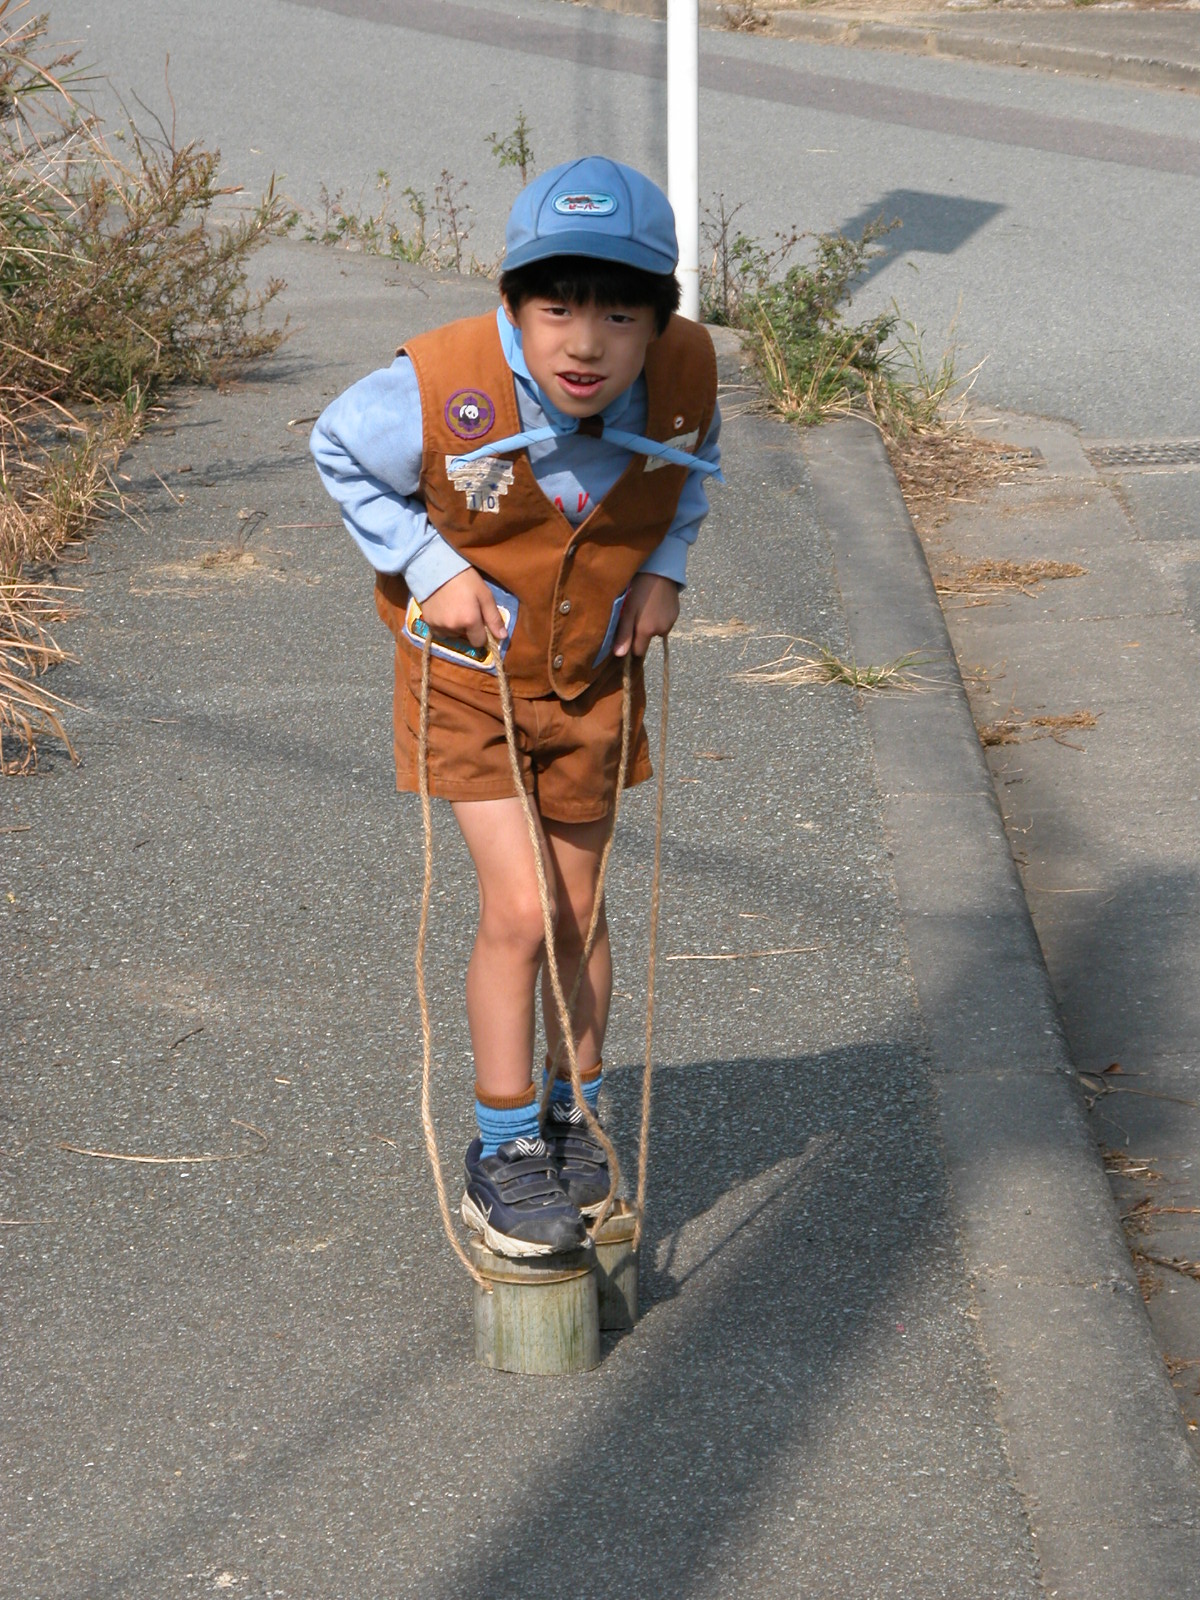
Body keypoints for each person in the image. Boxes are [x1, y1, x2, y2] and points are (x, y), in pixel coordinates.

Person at [311, 156, 722, 1259]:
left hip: (593, 672)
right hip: (469, 677)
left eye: (619, 315)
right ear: (513, 305)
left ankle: (571, 1110)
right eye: (557, 310)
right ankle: (502, 1150)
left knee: (579, 908)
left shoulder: (686, 372)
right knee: (525, 909)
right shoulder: (439, 383)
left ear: (658, 319)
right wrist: (427, 563)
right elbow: (337, 446)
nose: (586, 344)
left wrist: (666, 566)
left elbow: (694, 458)